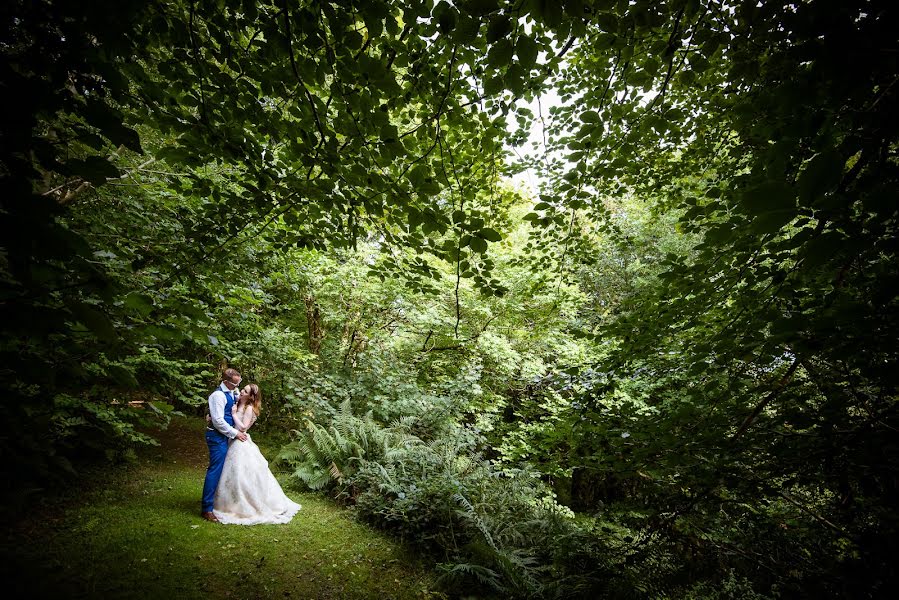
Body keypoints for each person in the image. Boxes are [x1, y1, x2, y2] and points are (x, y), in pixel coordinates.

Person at [212, 383, 301, 525]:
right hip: (232, 440)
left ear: (251, 396)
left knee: (241, 474)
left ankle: (245, 503)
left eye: (245, 391)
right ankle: (225, 502)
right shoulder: (236, 401)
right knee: (229, 473)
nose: (241, 392)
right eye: (242, 389)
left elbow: (243, 427)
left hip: (241, 442)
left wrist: (235, 414)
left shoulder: (249, 409)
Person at [201, 368, 248, 523]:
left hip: (225, 436)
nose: (237, 387)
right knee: (215, 470)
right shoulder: (217, 396)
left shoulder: (231, 392)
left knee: (225, 469)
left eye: (238, 383)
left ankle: (220, 501)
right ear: (226, 382)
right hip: (216, 436)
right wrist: (235, 433)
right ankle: (207, 509)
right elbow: (218, 421)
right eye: (235, 383)